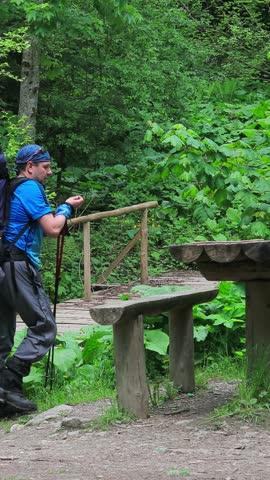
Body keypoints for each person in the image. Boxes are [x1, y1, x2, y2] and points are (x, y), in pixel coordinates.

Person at [0, 144, 84, 416]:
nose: (49, 172)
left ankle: (5, 399)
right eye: (45, 167)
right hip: (18, 263)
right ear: (30, 167)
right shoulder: (29, 188)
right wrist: (65, 208)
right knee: (44, 326)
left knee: (2, 336)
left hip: (2, 263)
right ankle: (10, 378)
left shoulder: (8, 188)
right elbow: (53, 228)